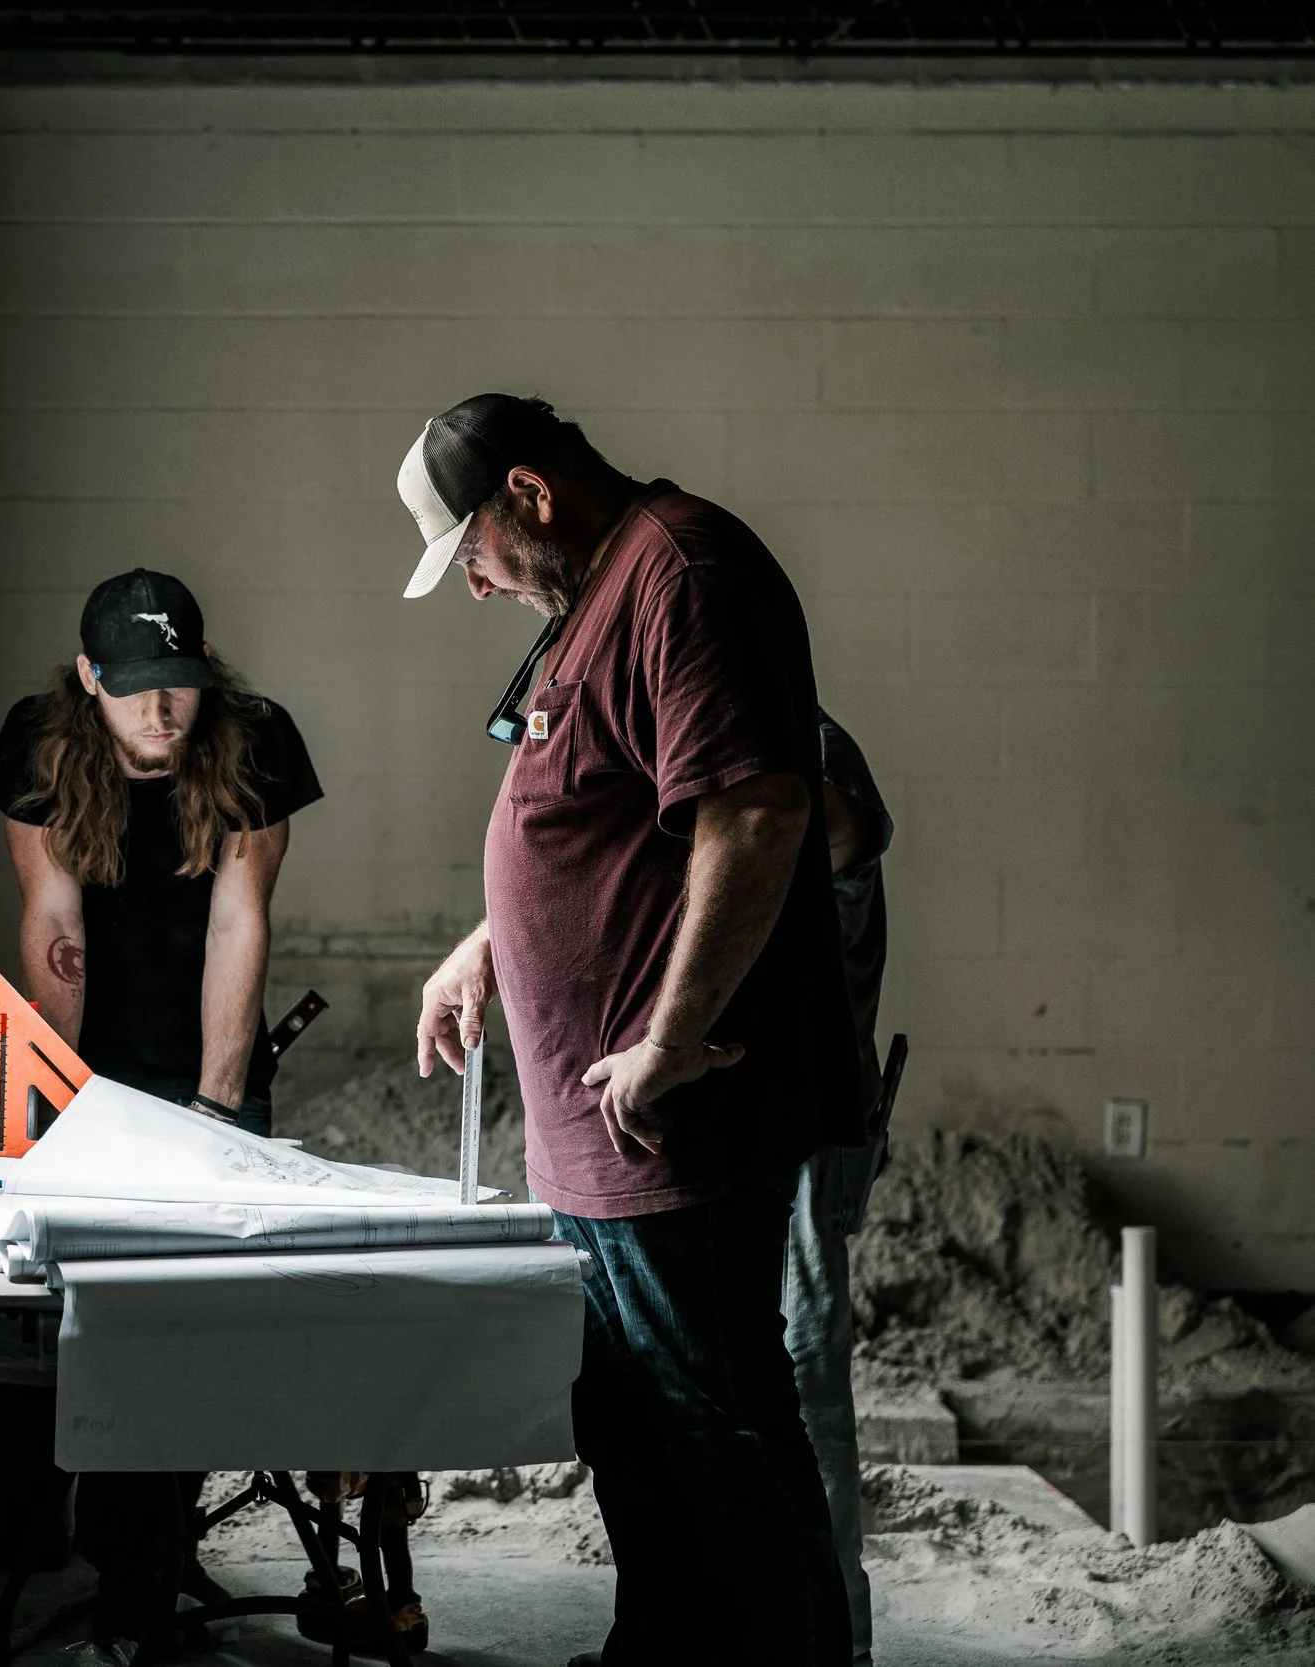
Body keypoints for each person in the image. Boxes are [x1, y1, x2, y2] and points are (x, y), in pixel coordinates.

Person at [398, 394, 860, 1667]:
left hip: (668, 1111)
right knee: (634, 1416)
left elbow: (759, 814)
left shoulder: (684, 571)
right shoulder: (594, 597)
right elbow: (596, 813)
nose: (476, 587)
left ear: (530, 495)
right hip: (598, 1122)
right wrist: (487, 938)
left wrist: (671, 1035)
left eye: (474, 553)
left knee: (719, 1425)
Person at [0, 567, 323, 1665]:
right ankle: (130, 1566)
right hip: (87, 1058)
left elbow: (238, 920)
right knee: (106, 1323)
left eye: (178, 686)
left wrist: (216, 1112)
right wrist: (70, 1115)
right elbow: (52, 922)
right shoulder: (39, 743)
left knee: (195, 1320)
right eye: (133, 691)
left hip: (211, 1052)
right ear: (89, 679)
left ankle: (155, 1558)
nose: (161, 713)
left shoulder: (255, 741)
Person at [784, 712, 897, 1667]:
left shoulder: (810, 758)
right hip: (757, 1128)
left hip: (804, 1129)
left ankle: (834, 1641)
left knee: (803, 1368)